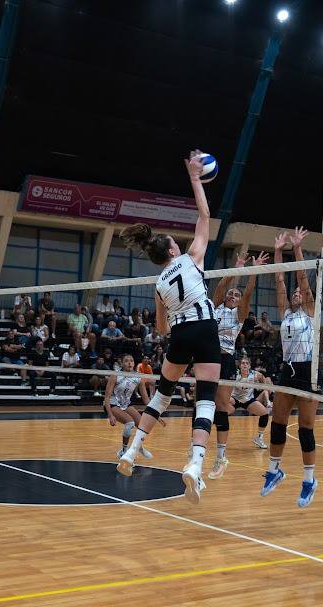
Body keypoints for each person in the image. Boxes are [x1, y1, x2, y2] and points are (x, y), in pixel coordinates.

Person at [116, 150, 220, 505]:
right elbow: (205, 215)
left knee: (163, 393)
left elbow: (160, 328)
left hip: (178, 334)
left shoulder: (158, 284)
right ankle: (195, 462)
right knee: (206, 397)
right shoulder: (191, 258)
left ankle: (131, 451)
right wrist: (194, 178)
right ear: (173, 248)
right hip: (204, 327)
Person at [262, 227, 320, 508]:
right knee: (278, 423)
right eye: (295, 293)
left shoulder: (310, 310)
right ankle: (274, 471)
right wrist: (277, 251)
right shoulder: (285, 311)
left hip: (307, 369)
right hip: (288, 370)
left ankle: (309, 480)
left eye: (300, 292)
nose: (296, 293)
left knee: (305, 429)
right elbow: (280, 281)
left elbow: (300, 278)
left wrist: (297, 248)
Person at [207, 250, 267, 480]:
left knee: (222, 406)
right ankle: (198, 447)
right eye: (231, 293)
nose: (233, 294)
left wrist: (252, 271)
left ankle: (221, 455)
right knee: (204, 403)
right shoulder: (216, 307)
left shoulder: (239, 314)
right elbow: (222, 286)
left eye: (236, 294)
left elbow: (249, 292)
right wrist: (236, 268)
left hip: (225, 359)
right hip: (208, 356)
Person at [104, 354, 153, 459]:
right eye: (126, 361)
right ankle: (124, 451)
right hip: (113, 404)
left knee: (142, 425)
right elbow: (107, 397)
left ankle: (138, 447)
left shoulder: (138, 377)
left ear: (134, 363)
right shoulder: (115, 375)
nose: (129, 363)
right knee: (130, 423)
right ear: (121, 363)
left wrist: (155, 411)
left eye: (131, 360)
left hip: (126, 404)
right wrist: (110, 415)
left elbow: (145, 399)